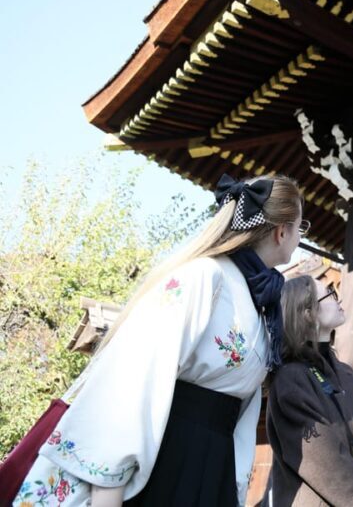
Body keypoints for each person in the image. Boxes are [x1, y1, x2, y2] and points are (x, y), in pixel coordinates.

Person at [11, 174, 306, 506]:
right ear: (282, 231)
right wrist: (108, 490)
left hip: (214, 463)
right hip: (165, 458)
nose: (299, 237)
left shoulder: (261, 305)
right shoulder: (205, 276)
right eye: (300, 227)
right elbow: (135, 375)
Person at [265, 276, 353, 507]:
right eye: (330, 294)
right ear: (308, 313)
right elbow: (329, 464)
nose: (338, 298)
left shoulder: (347, 375)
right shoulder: (290, 379)